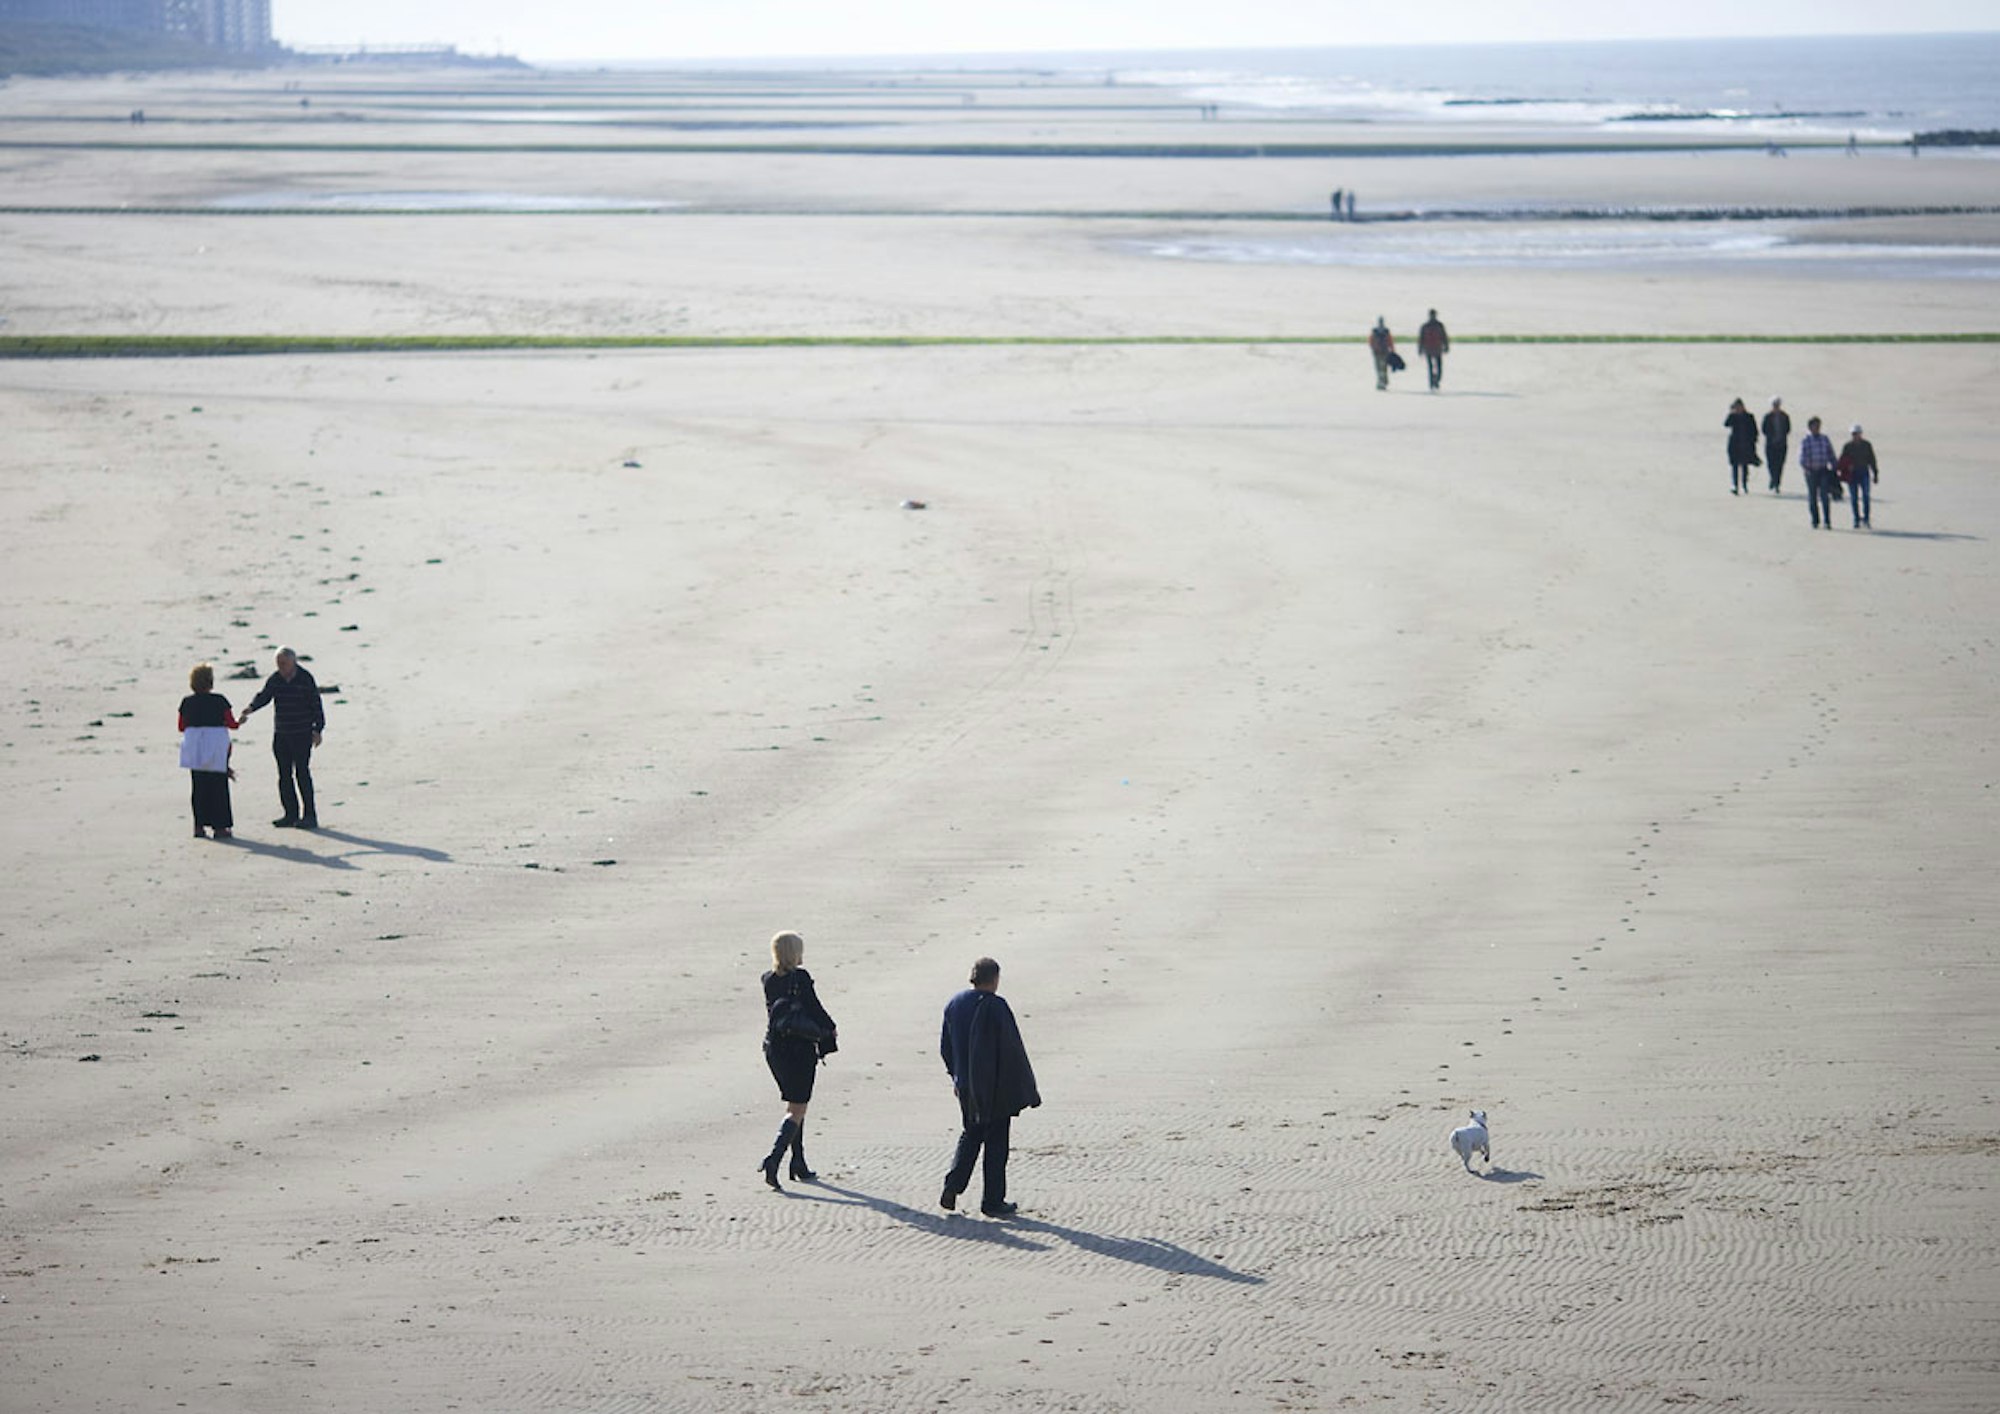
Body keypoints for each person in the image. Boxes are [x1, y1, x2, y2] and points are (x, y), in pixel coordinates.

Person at [939, 956, 1040, 1218]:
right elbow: (1012, 1049)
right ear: (994, 978)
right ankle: (992, 1201)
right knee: (996, 1142)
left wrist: (956, 1077)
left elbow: (945, 1048)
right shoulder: (997, 1006)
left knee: (971, 1134)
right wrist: (1025, 1087)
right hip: (994, 1086)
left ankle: (952, 1187)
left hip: (966, 1085)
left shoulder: (955, 1003)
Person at [757, 931, 837, 1190]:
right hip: (799, 1051)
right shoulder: (800, 978)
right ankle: (774, 1160)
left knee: (794, 1104)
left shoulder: (768, 979)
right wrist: (831, 1029)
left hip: (774, 1050)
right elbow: (814, 1008)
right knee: (797, 1109)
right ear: (795, 952)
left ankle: (799, 1162)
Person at [238, 646, 324, 829]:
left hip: (302, 733)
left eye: (284, 663)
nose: (281, 666)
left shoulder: (305, 678)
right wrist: (251, 708)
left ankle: (309, 815)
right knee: (284, 775)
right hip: (282, 734)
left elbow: (316, 704)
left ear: (293, 661)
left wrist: (318, 729)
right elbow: (265, 696)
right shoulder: (275, 679)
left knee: (302, 773)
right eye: (278, 663)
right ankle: (290, 814)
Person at [177, 663, 237, 839]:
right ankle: (220, 827)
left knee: (199, 786)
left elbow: (181, 726)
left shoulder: (187, 702)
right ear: (210, 682)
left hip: (195, 746)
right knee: (218, 786)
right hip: (216, 745)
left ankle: (198, 826)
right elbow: (231, 723)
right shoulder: (219, 700)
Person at [1799, 416, 1836, 529]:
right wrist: (1806, 468)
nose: (1817, 428)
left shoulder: (1825, 439)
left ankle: (1827, 520)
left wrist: (1834, 466)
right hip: (1811, 472)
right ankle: (1815, 520)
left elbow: (1831, 453)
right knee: (1812, 497)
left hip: (1823, 470)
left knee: (1825, 496)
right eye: (1815, 426)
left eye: (1818, 426)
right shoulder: (1806, 440)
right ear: (1810, 427)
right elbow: (1802, 457)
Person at [1840, 424, 1879, 528]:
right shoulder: (1847, 446)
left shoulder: (1867, 445)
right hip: (1852, 474)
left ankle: (1866, 519)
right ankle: (1856, 519)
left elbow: (1872, 460)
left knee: (1866, 496)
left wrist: (1875, 474)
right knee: (1854, 498)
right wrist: (1845, 469)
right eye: (1853, 434)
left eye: (1857, 434)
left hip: (1864, 472)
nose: (1855, 436)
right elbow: (1842, 461)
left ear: (1861, 434)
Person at [1724, 398, 1760, 495]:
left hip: (1746, 444)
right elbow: (1726, 424)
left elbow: (1754, 430)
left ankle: (1744, 484)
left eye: (1739, 407)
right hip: (1734, 445)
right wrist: (1731, 413)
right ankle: (1735, 485)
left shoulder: (1749, 416)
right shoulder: (1733, 416)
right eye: (1736, 407)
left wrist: (1754, 442)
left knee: (1744, 466)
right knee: (1734, 466)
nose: (1738, 409)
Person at [1762, 396, 1792, 493]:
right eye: (1774, 405)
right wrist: (1771, 436)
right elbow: (1764, 429)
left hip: (1782, 444)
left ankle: (1777, 483)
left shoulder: (1785, 416)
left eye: (1777, 405)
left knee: (1780, 464)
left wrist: (1781, 437)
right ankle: (1773, 478)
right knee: (1771, 463)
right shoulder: (1767, 416)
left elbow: (1788, 429)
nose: (1776, 407)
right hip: (1770, 444)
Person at [1416, 309, 1450, 391]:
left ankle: (1436, 381)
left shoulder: (1439, 325)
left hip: (1437, 349)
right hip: (1429, 349)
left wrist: (1446, 346)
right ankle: (1432, 383)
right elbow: (1421, 338)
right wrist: (1420, 349)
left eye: (1434, 315)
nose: (1433, 316)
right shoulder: (1425, 326)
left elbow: (1444, 336)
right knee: (1431, 367)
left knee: (1439, 367)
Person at [1368, 317, 1395, 391]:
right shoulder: (1386, 331)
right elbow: (1390, 341)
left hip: (1377, 352)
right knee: (1383, 368)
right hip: (1384, 351)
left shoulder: (1375, 331)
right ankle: (1383, 382)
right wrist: (1392, 350)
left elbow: (1370, 341)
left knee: (1379, 368)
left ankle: (1381, 382)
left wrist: (1373, 348)